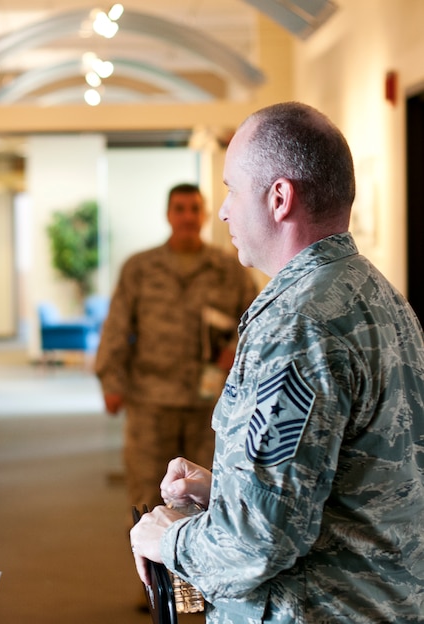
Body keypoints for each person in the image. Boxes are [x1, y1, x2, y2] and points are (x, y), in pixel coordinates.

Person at [130, 101, 424, 622]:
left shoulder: (296, 324)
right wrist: (228, 485)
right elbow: (355, 479)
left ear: (279, 197)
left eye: (231, 190)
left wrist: (167, 537)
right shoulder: (378, 296)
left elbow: (254, 546)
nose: (222, 211)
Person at [95, 183, 257, 511]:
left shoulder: (229, 269)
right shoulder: (140, 268)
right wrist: (111, 383)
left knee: (208, 492)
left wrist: (236, 350)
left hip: (210, 404)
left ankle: (201, 560)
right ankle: (148, 561)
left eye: (194, 209)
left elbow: (256, 323)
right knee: (148, 493)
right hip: (151, 400)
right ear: (168, 215)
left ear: (204, 214)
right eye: (180, 209)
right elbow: (116, 328)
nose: (187, 216)